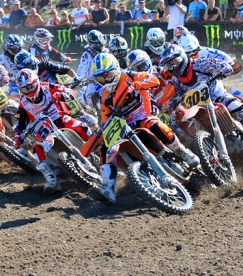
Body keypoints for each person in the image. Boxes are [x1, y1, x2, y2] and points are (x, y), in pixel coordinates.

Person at [84, 53, 199, 202]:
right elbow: (105, 118)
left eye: (108, 74)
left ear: (116, 69)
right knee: (106, 149)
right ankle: (108, 188)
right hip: (125, 127)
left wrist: (136, 85)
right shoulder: (104, 96)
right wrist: (102, 131)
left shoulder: (129, 76)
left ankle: (183, 152)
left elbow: (153, 80)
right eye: (101, 78)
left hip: (143, 115)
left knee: (155, 125)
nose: (106, 80)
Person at [163, 39, 243, 149]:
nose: (173, 67)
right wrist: (171, 103)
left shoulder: (199, 64)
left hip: (218, 97)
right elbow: (174, 96)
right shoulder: (175, 80)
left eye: (174, 63)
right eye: (169, 66)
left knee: (234, 105)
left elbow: (220, 64)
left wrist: (225, 69)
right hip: (199, 108)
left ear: (182, 58)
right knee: (194, 127)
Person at [14, 69, 92, 194]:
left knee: (80, 126)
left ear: (36, 83)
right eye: (24, 89)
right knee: (36, 149)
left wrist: (62, 95)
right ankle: (52, 180)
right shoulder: (23, 102)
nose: (28, 91)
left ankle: (97, 147)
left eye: (30, 87)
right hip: (45, 131)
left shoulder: (47, 87)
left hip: (61, 120)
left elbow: (70, 92)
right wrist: (18, 137)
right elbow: (19, 122)